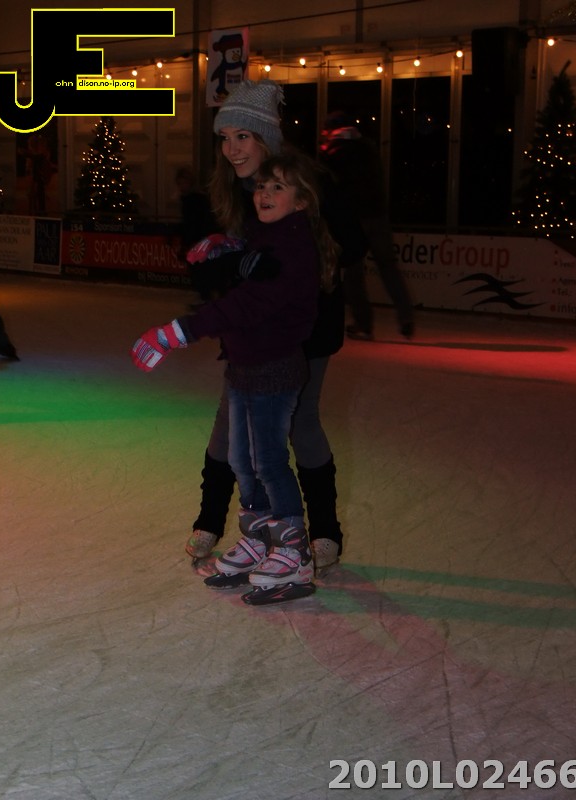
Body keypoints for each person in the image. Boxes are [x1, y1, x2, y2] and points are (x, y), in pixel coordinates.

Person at [132, 151, 339, 605]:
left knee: (269, 461)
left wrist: (178, 332)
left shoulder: (294, 247)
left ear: (302, 201)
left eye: (278, 187)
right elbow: (251, 257)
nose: (264, 193)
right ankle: (259, 536)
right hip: (246, 365)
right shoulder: (268, 235)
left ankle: (294, 551)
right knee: (241, 460)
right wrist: (227, 247)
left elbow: (246, 305)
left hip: (274, 369)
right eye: (262, 186)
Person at [183, 80, 365, 576]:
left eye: (243, 137)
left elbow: (352, 244)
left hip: (308, 327)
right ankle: (210, 520)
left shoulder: (308, 183)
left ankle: (324, 533)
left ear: (267, 138)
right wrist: (229, 253)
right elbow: (227, 268)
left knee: (301, 422)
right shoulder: (234, 191)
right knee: (230, 422)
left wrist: (293, 259)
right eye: (225, 138)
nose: (232, 149)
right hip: (253, 330)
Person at [319, 111, 415, 341]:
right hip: (378, 215)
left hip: (354, 218)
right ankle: (405, 316)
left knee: (353, 272)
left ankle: (363, 323)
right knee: (388, 267)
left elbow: (330, 187)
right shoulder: (368, 148)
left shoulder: (333, 152)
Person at [173, 166, 216, 262]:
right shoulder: (187, 200)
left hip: (198, 241)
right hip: (194, 242)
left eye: (184, 183)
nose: (182, 187)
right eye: (179, 184)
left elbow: (197, 223)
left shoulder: (196, 200)